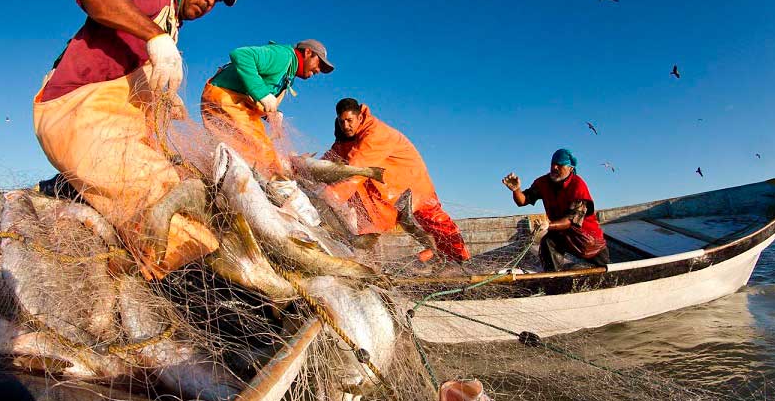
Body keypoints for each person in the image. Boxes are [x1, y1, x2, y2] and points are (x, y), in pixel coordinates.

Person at [33, 0, 238, 279]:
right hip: (80, 112)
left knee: (185, 192)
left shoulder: (171, 25)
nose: (211, 0)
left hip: (112, 124)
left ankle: (69, 191)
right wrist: (154, 37)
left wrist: (165, 100)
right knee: (176, 224)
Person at [322, 98, 470, 262]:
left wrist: (331, 196)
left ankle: (460, 260)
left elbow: (357, 168)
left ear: (359, 118)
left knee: (434, 221)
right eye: (342, 122)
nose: (346, 126)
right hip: (389, 193)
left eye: (349, 120)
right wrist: (299, 167)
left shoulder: (375, 133)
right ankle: (434, 255)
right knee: (392, 226)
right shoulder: (347, 138)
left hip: (412, 184)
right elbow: (331, 160)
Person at [201, 39, 334, 177]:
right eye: (320, 64)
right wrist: (263, 94)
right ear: (307, 52)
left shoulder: (289, 73)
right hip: (224, 96)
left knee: (262, 153)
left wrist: (271, 114)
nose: (319, 71)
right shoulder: (282, 56)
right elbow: (241, 54)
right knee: (263, 153)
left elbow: (257, 95)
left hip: (240, 104)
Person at [502, 148, 609, 272]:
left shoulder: (578, 186)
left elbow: (572, 220)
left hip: (587, 240)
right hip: (562, 234)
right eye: (553, 164)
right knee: (548, 241)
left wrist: (548, 225)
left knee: (604, 271)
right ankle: (553, 277)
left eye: (560, 165)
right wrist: (516, 189)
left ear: (571, 168)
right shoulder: (543, 183)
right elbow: (523, 201)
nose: (555, 167)